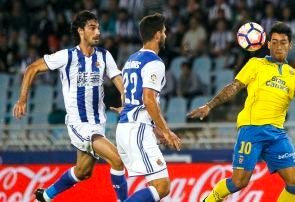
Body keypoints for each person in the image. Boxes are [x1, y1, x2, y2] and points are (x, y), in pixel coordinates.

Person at [188, 22, 295, 202]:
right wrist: (209, 106)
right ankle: (210, 199)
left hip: (277, 134)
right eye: (274, 42)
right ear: (267, 44)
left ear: (290, 45)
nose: (278, 46)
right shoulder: (255, 64)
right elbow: (234, 86)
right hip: (252, 129)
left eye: (283, 42)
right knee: (239, 182)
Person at [13, 10, 128, 202]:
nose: (98, 31)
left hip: (98, 123)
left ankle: (46, 195)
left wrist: (125, 99)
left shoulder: (104, 55)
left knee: (83, 172)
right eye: (92, 28)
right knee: (117, 159)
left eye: (98, 27)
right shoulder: (67, 57)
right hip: (79, 124)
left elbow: (117, 78)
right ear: (81, 31)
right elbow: (32, 68)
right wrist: (22, 99)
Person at [115, 13, 181, 202]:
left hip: (127, 127)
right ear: (158, 35)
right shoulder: (154, 62)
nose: (166, 35)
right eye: (165, 31)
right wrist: (166, 131)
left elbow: (129, 98)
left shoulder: (131, 60)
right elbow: (148, 100)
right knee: (162, 187)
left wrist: (155, 129)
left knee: (154, 187)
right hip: (137, 129)